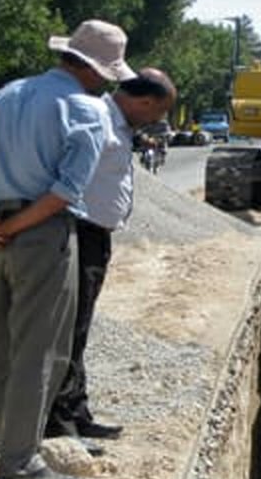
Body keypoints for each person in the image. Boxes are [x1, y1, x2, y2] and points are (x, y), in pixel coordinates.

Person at [0, 19, 133, 479]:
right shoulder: (86, 110)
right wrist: (9, 227)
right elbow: (64, 191)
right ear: (98, 69)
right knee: (40, 351)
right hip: (42, 235)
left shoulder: (8, 94)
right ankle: (19, 463)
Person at [44, 68, 176, 452]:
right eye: (157, 113)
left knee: (80, 329)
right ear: (144, 102)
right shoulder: (98, 118)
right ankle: (59, 425)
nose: (156, 121)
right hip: (80, 232)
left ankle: (76, 412)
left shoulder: (118, 125)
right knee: (71, 328)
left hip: (95, 234)